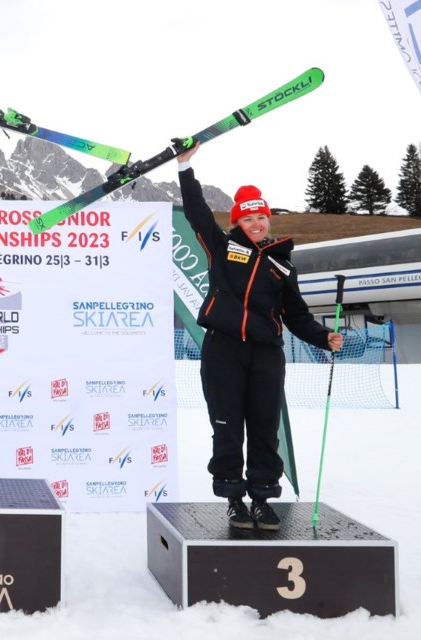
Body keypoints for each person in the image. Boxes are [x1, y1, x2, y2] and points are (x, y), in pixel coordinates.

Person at [177, 142, 343, 531]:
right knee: (227, 427)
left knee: (266, 430)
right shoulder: (222, 248)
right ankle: (234, 499)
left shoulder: (282, 266)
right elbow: (198, 213)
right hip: (223, 351)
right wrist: (185, 167)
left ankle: (264, 500)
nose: (256, 224)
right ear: (238, 222)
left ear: (268, 221)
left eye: (261, 218)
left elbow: (297, 316)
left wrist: (323, 337)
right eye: (248, 219)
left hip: (266, 355)